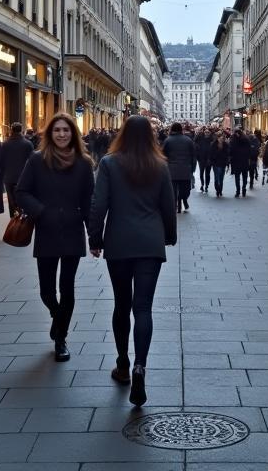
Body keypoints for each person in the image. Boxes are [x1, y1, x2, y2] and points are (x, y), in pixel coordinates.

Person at [89, 114, 176, 408]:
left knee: (121, 305)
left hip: (119, 242)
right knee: (143, 308)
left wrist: (95, 238)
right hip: (150, 243)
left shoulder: (110, 164)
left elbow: (98, 204)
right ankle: (141, 365)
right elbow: (168, 204)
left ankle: (123, 364)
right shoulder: (159, 165)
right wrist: (169, 235)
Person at [16, 113, 94, 363]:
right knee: (47, 290)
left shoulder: (83, 163)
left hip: (72, 230)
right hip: (47, 230)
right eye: (57, 130)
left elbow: (88, 202)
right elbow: (21, 191)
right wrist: (40, 212)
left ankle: (61, 337)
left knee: (67, 287)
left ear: (73, 134)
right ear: (50, 134)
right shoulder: (38, 160)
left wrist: (94, 237)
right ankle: (56, 315)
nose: (62, 134)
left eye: (66, 130)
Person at [162, 122, 197, 213]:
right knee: (185, 189)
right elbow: (193, 155)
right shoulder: (188, 140)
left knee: (173, 190)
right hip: (185, 169)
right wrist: (193, 168)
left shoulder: (168, 140)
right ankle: (183, 199)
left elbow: (162, 155)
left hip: (171, 170)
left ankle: (174, 204)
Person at [1, 122, 34, 217]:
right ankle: (22, 218)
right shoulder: (28, 144)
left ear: (11, 130)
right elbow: (32, 161)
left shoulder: (5, 144)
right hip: (24, 177)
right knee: (23, 199)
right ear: (21, 130)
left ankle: (13, 218)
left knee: (11, 201)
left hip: (9, 177)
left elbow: (1, 161)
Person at [229, 129, 251, 197]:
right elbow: (249, 150)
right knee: (244, 176)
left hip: (237, 161)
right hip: (244, 161)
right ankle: (243, 189)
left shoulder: (233, 140)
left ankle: (238, 191)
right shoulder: (246, 140)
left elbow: (231, 150)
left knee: (237, 177)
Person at [210, 133, 230, 197]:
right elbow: (212, 154)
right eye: (220, 138)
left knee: (221, 178)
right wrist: (219, 150)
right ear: (217, 138)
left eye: (222, 138)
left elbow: (227, 154)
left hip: (223, 164)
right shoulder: (213, 144)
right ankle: (217, 189)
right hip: (216, 164)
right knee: (217, 178)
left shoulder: (226, 145)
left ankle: (220, 190)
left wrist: (227, 163)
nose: (221, 139)